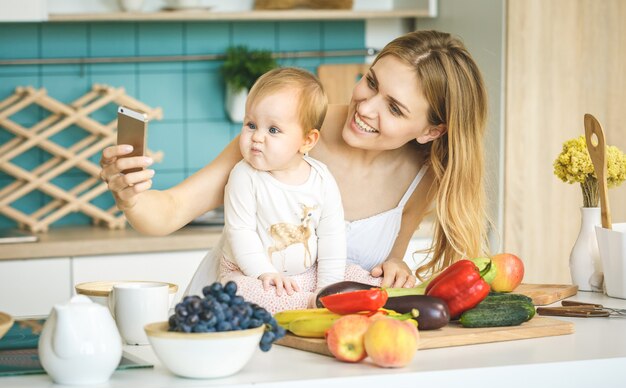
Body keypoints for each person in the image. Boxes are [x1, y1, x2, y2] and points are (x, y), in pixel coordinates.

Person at [99, 30, 489, 298]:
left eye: (394, 107)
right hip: (230, 325)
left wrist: (396, 267)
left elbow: (388, 257)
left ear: (431, 132)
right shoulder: (284, 130)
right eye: (370, 82)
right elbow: (167, 213)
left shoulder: (423, 176)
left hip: (321, 345)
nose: (365, 107)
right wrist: (131, 197)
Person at [218, 67, 377, 313]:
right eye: (251, 125)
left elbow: (332, 238)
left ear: (307, 141)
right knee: (237, 293)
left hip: (304, 275)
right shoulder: (244, 176)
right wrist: (264, 273)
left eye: (272, 130)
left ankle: (320, 301)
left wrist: (327, 288)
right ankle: (312, 305)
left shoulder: (322, 179)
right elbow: (240, 234)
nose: (257, 137)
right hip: (251, 273)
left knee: (359, 276)